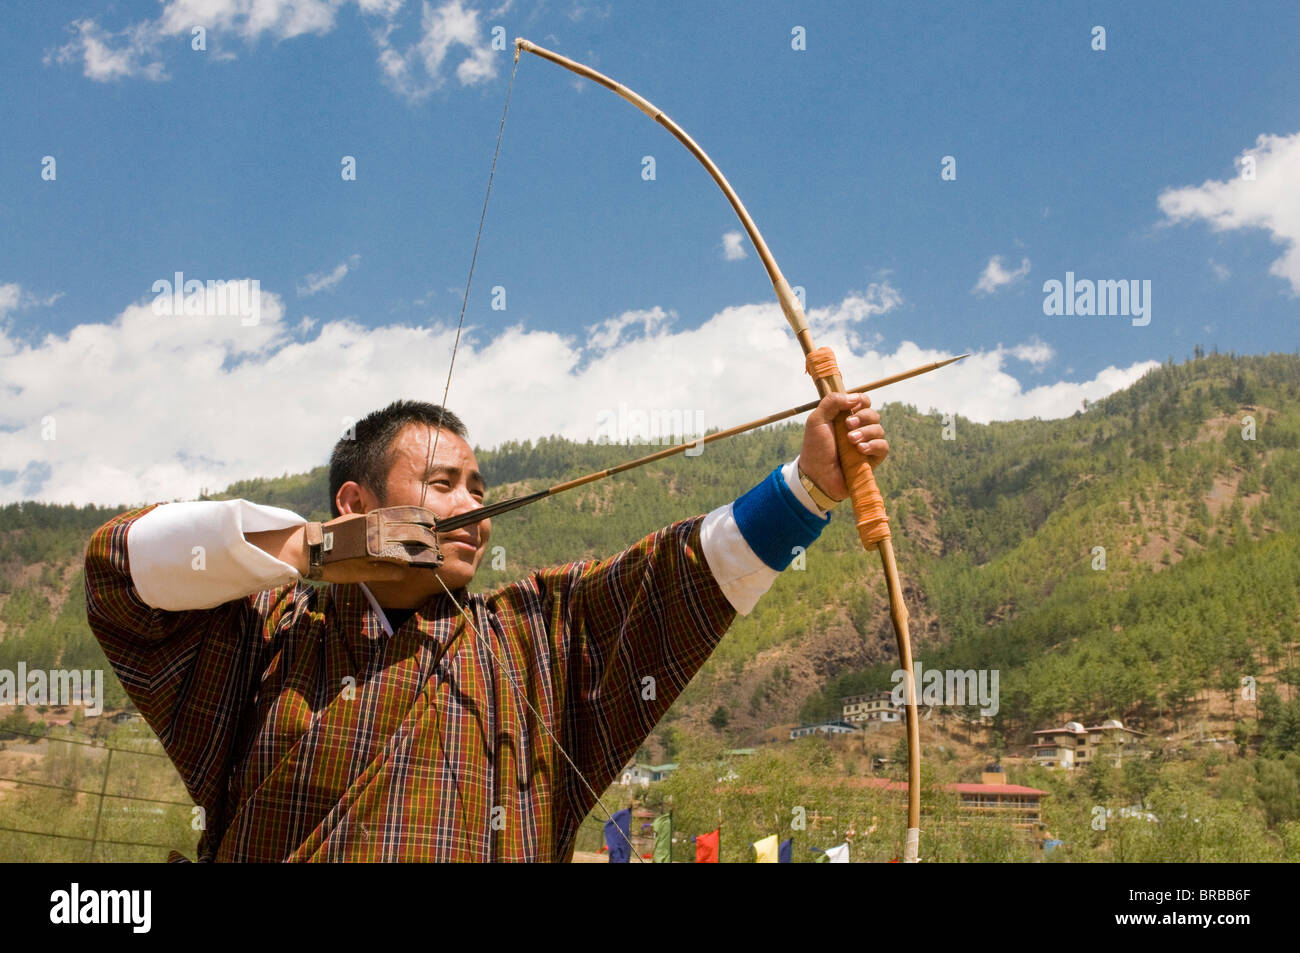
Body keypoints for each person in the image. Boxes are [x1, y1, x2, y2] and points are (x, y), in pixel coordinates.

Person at [84, 394, 888, 861]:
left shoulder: (534, 639)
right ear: (356, 505)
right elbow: (120, 570)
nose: (474, 507)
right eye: (442, 484)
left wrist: (808, 485)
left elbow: (677, 577)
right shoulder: (267, 633)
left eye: (479, 485)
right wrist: (318, 550)